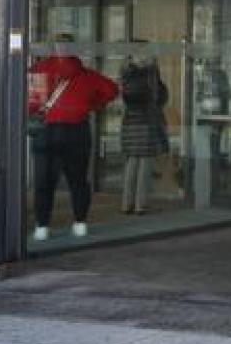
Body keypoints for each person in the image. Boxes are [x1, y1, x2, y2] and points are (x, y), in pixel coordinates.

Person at [27, 35, 118, 241]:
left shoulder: (39, 71)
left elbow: (30, 102)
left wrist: (36, 110)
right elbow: (112, 90)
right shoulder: (87, 75)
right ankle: (79, 223)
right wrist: (92, 105)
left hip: (47, 132)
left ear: (54, 48)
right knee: (77, 181)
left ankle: (42, 226)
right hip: (77, 131)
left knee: (44, 181)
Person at [119, 43, 169, 214]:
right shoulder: (149, 71)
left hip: (130, 122)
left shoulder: (125, 71)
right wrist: (154, 67)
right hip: (147, 121)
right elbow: (157, 95)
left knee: (132, 161)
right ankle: (142, 204)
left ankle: (127, 203)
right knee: (145, 163)